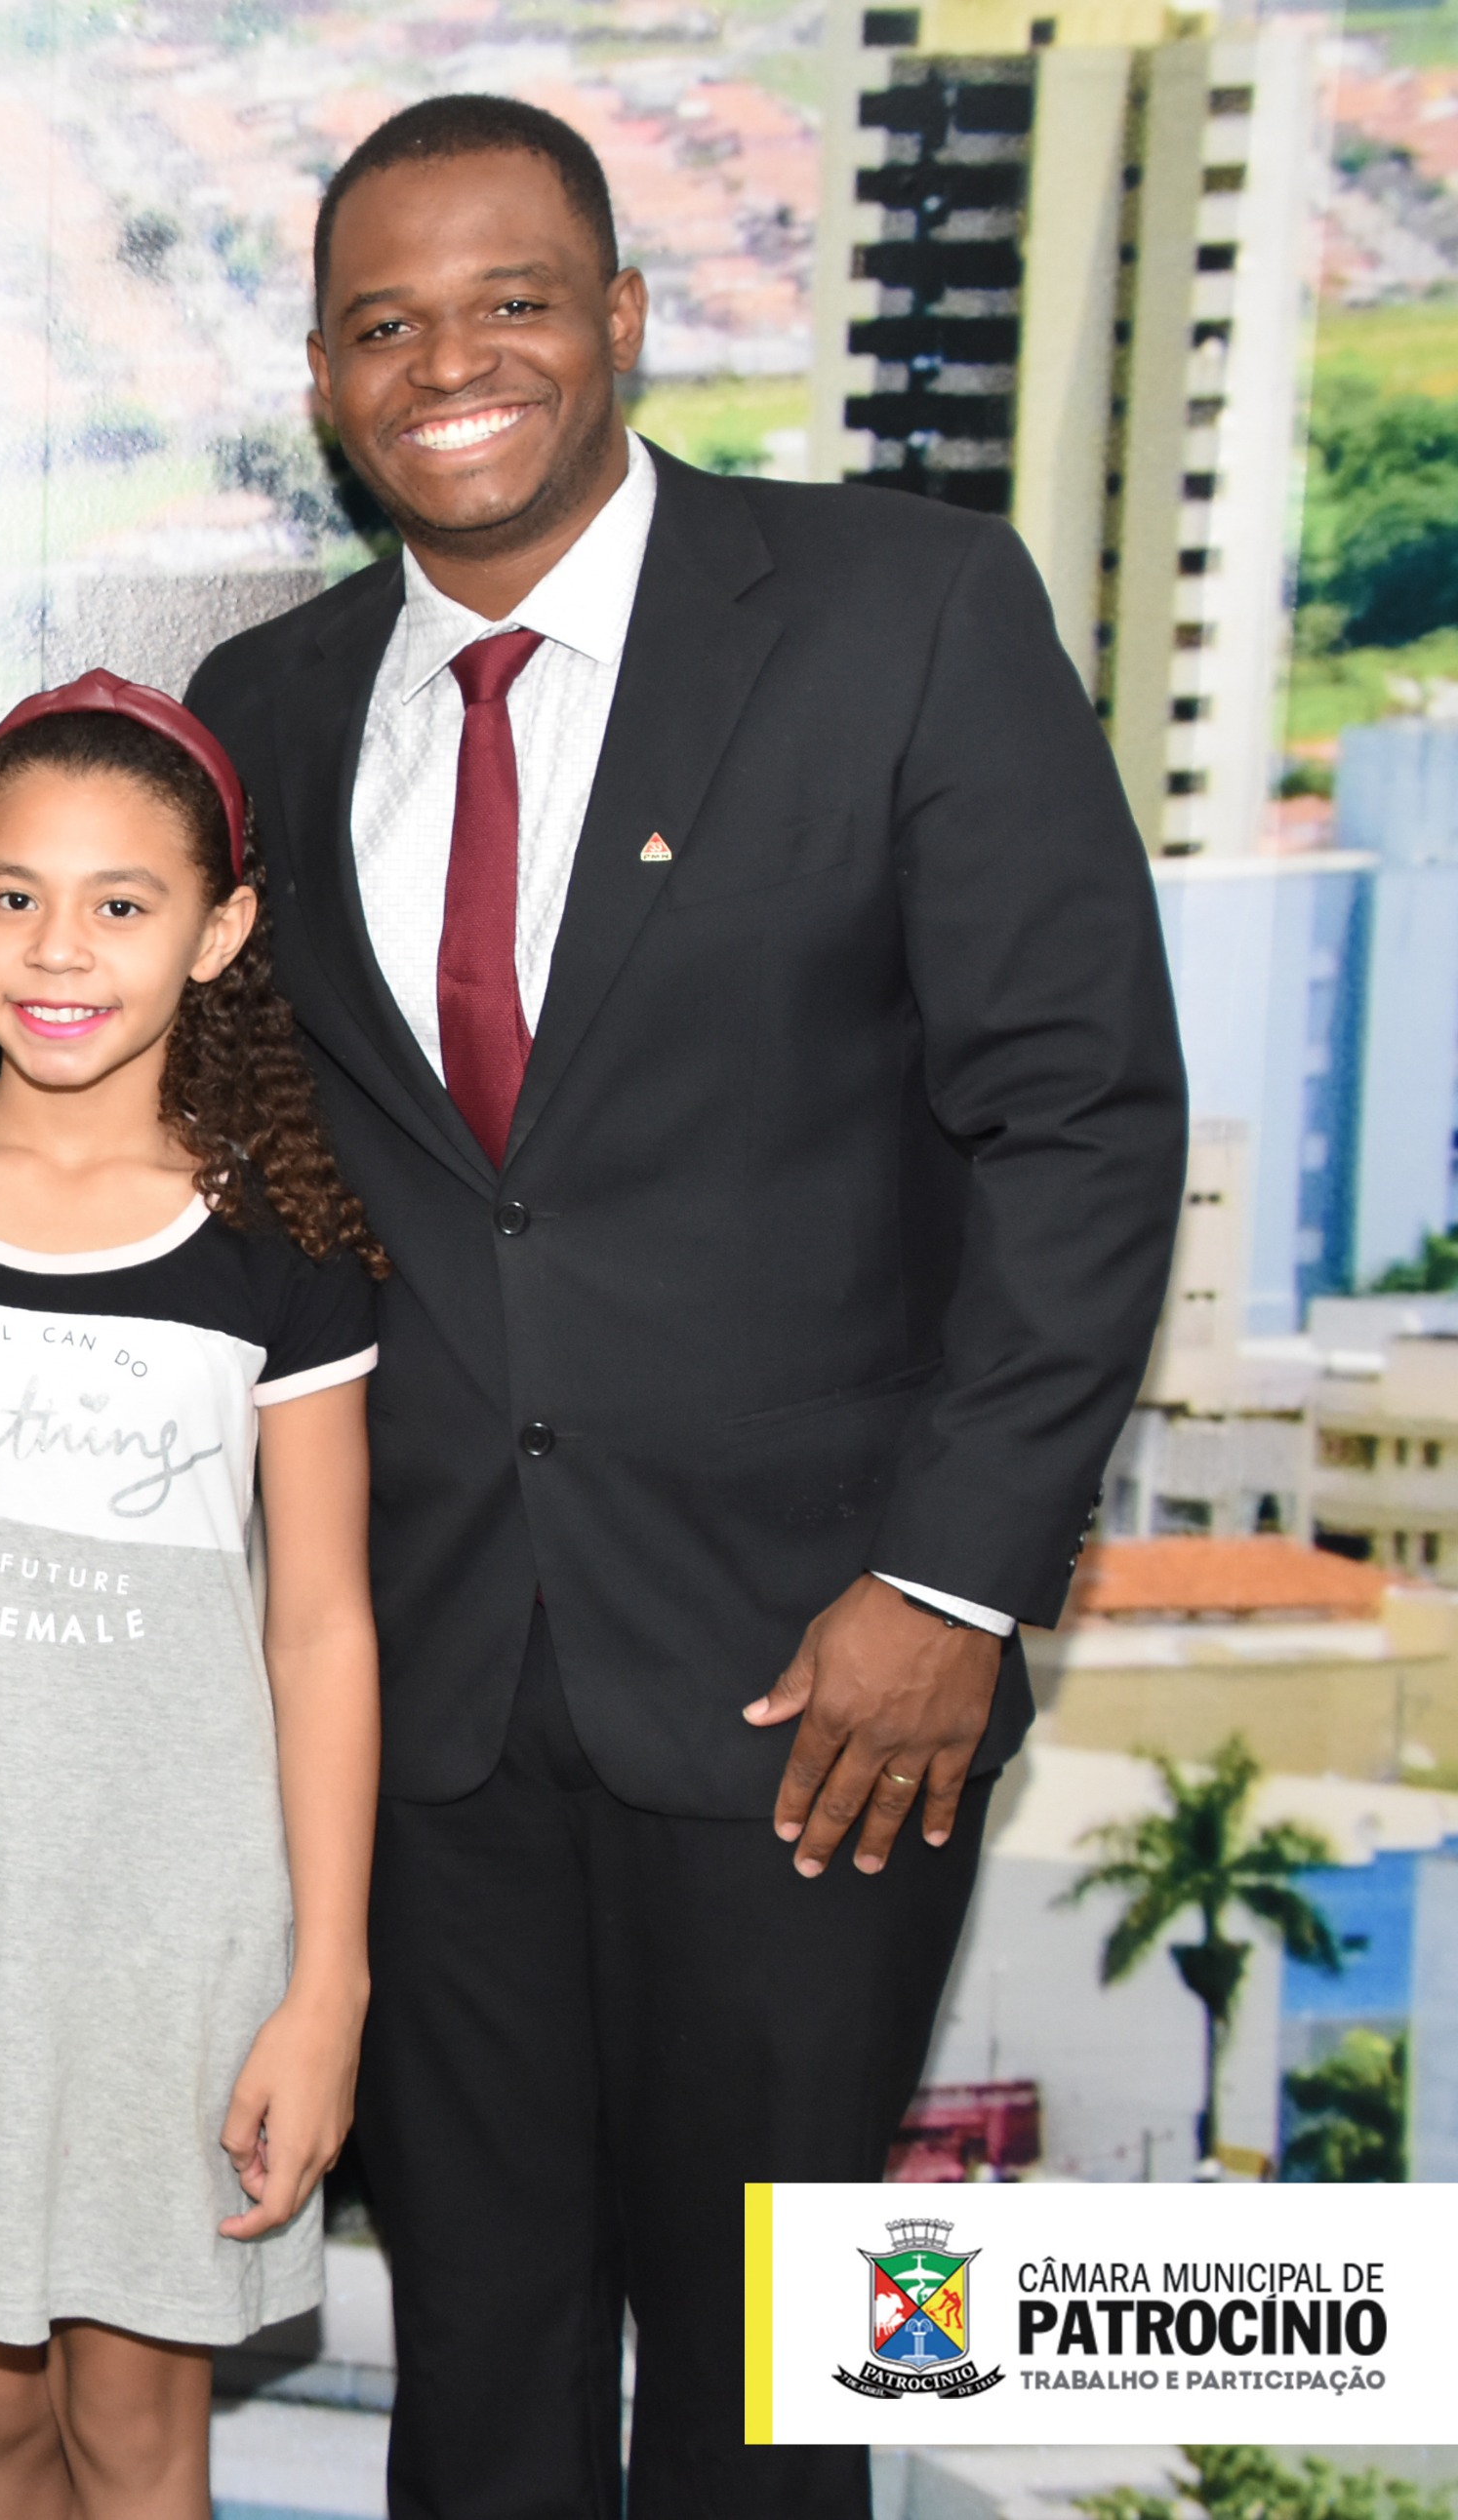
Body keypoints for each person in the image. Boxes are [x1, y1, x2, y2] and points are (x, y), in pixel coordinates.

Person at [183, 96, 1186, 2519]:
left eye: (512, 301)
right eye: (384, 322)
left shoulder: (901, 609)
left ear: (622, 318)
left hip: (820, 1686)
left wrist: (952, 1577)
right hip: (422, 1698)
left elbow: (1081, 1118)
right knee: (480, 2373)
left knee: (765, 2393)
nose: (450, 362)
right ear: (321, 379)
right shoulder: (268, 704)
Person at [0, 675, 383, 2517]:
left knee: (134, 2443)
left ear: (221, 930)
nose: (60, 949)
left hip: (179, 1941)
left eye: (123, 903)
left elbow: (322, 1627)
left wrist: (326, 1985)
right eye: (14, 895)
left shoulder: (279, 1236)